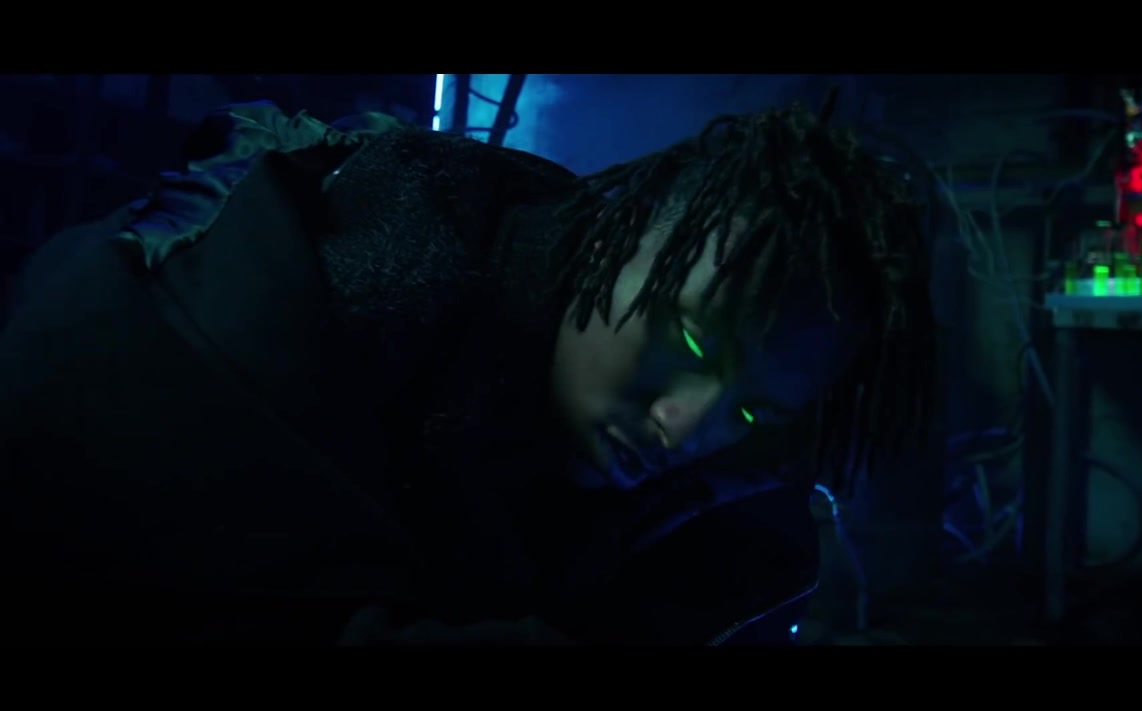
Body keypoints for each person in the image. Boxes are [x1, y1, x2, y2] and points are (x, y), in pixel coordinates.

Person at [0, 92, 934, 646]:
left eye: (754, 412)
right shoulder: (344, 273)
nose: (686, 428)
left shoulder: (731, 530)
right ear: (612, 241)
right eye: (692, 345)